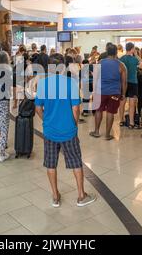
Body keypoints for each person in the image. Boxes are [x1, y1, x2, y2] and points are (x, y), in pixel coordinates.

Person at [35, 53, 96, 208]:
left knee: (50, 163)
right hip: (68, 130)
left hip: (49, 131)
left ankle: (55, 196)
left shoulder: (43, 84)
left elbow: (38, 108)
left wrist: (47, 121)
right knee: (76, 162)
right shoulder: (70, 83)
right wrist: (73, 125)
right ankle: (81, 196)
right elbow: (76, 108)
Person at [90, 43, 127, 140]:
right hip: (114, 92)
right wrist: (123, 94)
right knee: (110, 112)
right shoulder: (121, 65)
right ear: (116, 52)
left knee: (98, 110)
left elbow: (96, 77)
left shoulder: (101, 62)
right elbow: (124, 82)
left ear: (107, 52)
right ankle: (107, 134)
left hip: (100, 91)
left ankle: (96, 131)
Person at [119, 42, 142, 129]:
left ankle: (121, 121)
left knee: (122, 103)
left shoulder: (121, 58)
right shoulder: (135, 59)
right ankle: (131, 123)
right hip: (133, 83)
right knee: (132, 104)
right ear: (132, 49)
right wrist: (137, 55)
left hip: (123, 83)